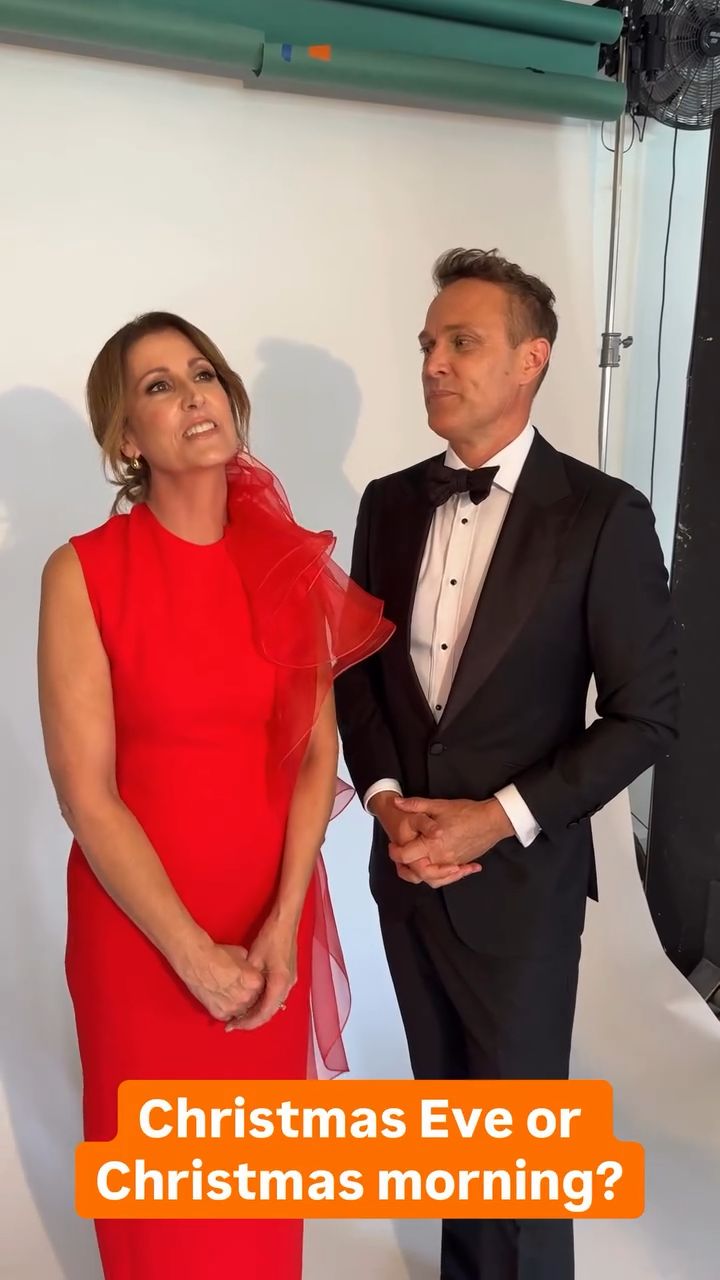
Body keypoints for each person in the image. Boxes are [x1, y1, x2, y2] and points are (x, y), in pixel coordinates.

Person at [335, 248, 679, 1280]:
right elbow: (360, 677)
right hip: (406, 875)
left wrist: (498, 816)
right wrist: (386, 799)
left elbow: (647, 716)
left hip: (522, 884)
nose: (434, 363)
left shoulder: (603, 515)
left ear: (533, 359)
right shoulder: (389, 503)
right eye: (428, 344)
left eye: (462, 342)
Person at [37, 312, 393, 1280]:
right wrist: (190, 953)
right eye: (158, 385)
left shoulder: (283, 564)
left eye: (202, 372)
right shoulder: (82, 572)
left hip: (267, 921)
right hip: (138, 934)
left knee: (254, 1208)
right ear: (126, 436)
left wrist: (283, 924)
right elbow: (85, 794)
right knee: (161, 1214)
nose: (193, 394)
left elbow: (317, 754)